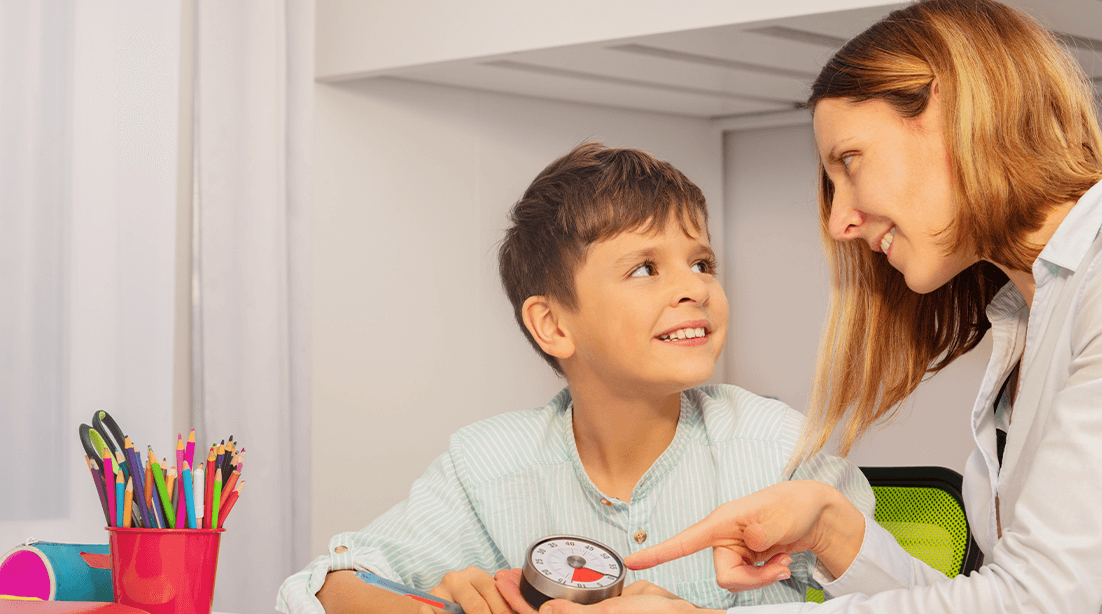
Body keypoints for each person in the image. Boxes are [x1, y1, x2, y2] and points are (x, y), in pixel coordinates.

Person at [492, 0, 1102, 614]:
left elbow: (1034, 602)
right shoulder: (1026, 314)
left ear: (954, 113)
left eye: (849, 160)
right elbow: (985, 599)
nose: (840, 221)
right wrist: (834, 529)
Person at [274, 142, 874, 614]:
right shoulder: (485, 465)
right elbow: (318, 589)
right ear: (553, 324)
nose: (695, 287)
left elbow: (903, 603)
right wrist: (431, 607)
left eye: (701, 262)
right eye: (645, 268)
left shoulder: (783, 449)